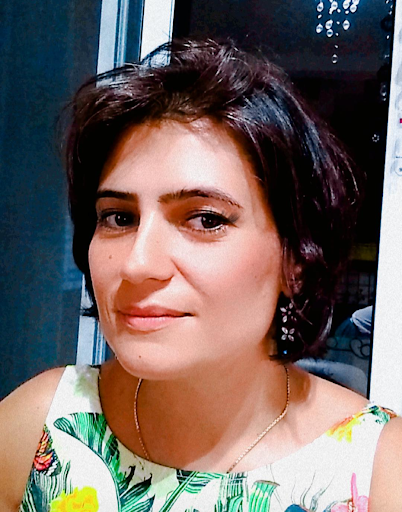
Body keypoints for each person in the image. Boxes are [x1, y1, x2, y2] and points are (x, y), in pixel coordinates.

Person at [1, 39, 401, 512]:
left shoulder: (378, 471)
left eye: (206, 220)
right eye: (119, 218)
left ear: (295, 259)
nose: (137, 264)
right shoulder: (39, 429)